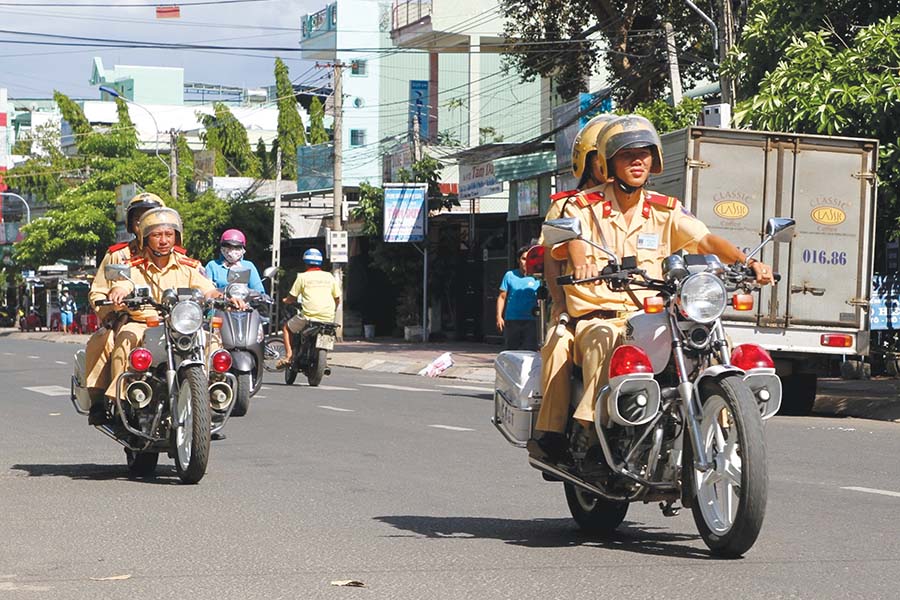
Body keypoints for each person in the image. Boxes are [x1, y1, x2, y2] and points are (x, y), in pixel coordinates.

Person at [530, 114, 774, 462]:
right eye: (627, 154)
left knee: (713, 340)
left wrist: (748, 262)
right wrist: (583, 260)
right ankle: (588, 429)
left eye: (644, 153)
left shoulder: (665, 208)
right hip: (600, 315)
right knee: (604, 339)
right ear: (609, 163)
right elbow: (571, 240)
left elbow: (705, 239)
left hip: (654, 314)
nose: (637, 161)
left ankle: (727, 420)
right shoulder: (580, 205)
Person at [89, 207, 230, 425]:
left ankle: (213, 392)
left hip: (181, 325)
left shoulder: (188, 266)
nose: (163, 240)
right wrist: (119, 292)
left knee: (212, 341)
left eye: (168, 234)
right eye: (156, 235)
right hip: (143, 323)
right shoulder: (131, 267)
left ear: (177, 237)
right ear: (145, 238)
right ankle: (122, 401)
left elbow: (207, 289)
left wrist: (222, 296)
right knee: (125, 338)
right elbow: (123, 283)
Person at [533, 113, 617, 448]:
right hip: (582, 306)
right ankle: (554, 431)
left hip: (639, 304)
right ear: (588, 160)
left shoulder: (638, 202)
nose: (612, 164)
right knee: (558, 345)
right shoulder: (567, 206)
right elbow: (553, 258)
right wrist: (560, 305)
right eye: (605, 157)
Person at [84, 192, 166, 416]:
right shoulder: (118, 255)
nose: (144, 222)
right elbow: (98, 290)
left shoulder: (171, 255)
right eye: (138, 218)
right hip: (129, 317)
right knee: (105, 340)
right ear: (131, 224)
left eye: (150, 216)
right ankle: (106, 400)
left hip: (170, 319)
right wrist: (110, 311)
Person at [276, 248, 341, 368]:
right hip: (328, 317)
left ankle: (289, 356)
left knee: (286, 328)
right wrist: (332, 310)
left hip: (308, 316)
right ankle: (323, 358)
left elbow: (292, 297)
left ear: (305, 262)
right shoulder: (329, 277)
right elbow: (337, 299)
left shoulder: (303, 277)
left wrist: (285, 300)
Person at [496, 246, 539, 350]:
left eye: (529, 259)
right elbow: (502, 297)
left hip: (532, 321)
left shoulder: (538, 277)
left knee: (530, 352)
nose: (526, 262)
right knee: (511, 352)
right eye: (523, 259)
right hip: (512, 320)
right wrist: (499, 316)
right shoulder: (509, 275)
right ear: (518, 260)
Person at [204, 229, 266, 293]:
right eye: (228, 246)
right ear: (222, 247)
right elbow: (205, 289)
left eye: (237, 247)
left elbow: (259, 291)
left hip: (244, 302)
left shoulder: (248, 266)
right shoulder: (212, 265)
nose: (232, 251)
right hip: (219, 301)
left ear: (243, 249)